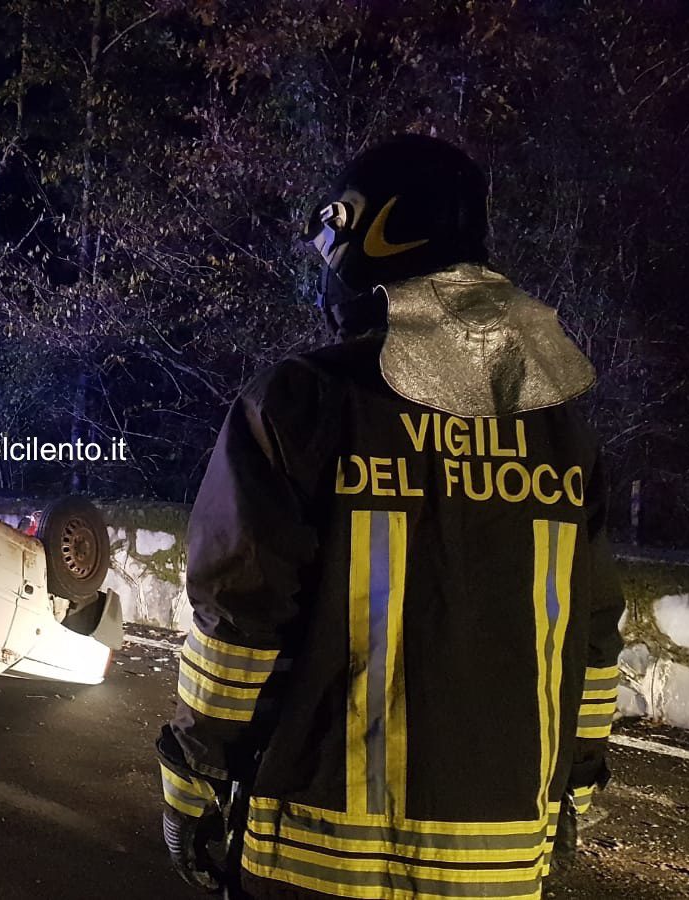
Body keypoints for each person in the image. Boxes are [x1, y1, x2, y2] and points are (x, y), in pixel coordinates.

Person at [156, 134, 624, 899]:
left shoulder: (301, 404)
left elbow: (239, 626)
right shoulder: (560, 429)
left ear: (362, 243)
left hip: (315, 862)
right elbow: (594, 641)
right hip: (502, 872)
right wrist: (571, 796)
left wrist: (191, 784)